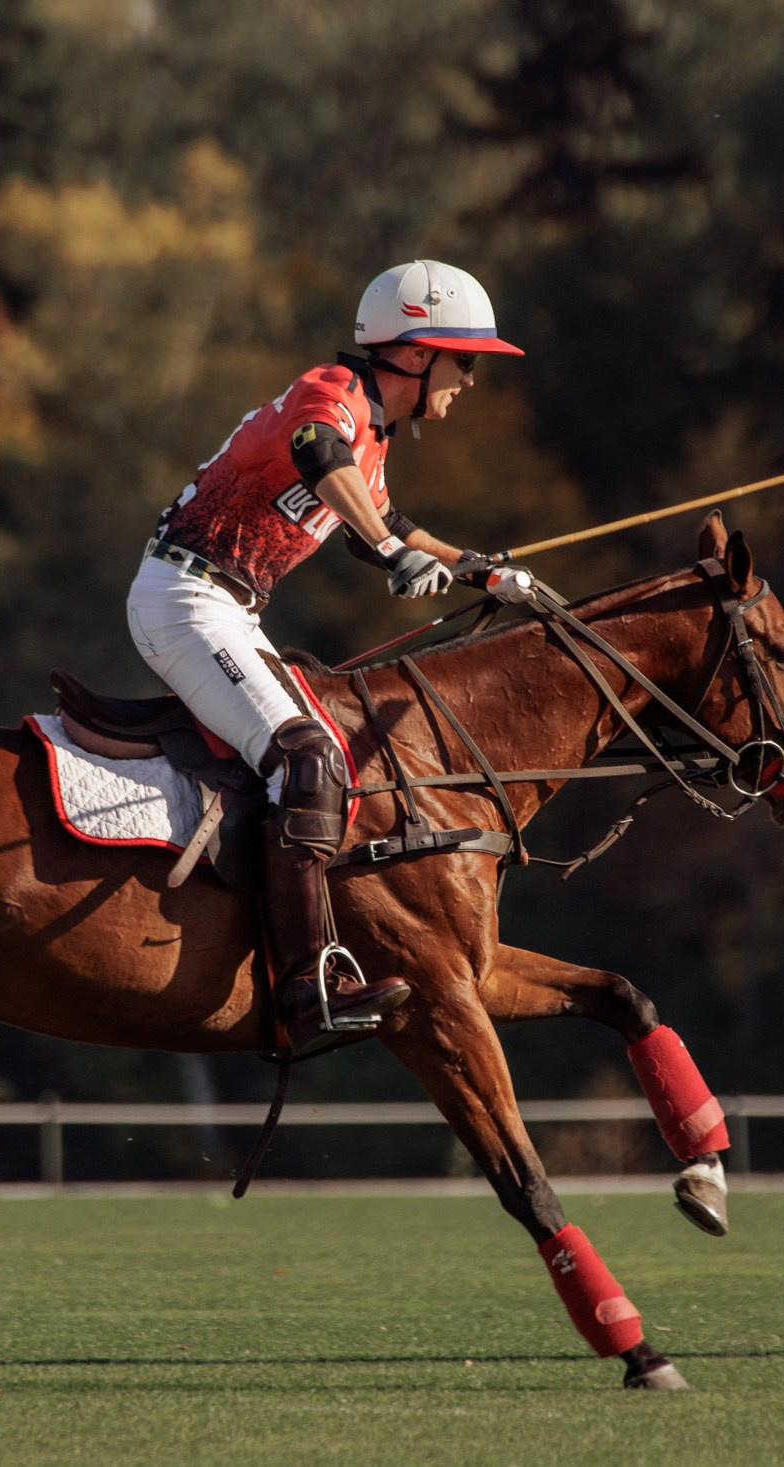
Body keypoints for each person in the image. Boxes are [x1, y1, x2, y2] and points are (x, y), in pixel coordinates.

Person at [127, 260, 523, 1056]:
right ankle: (308, 988)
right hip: (185, 598)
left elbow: (386, 517)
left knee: (328, 751)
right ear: (414, 353)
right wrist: (382, 542)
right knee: (307, 757)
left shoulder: (371, 432)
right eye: (465, 358)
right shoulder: (330, 395)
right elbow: (320, 457)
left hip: (226, 607)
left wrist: (481, 568)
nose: (471, 379)